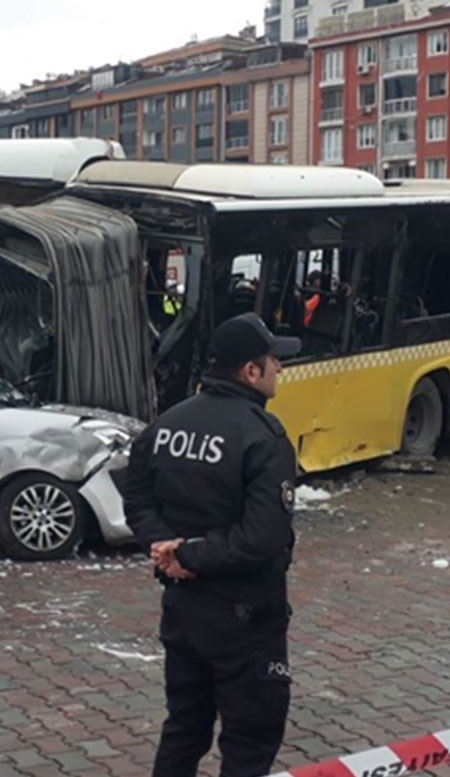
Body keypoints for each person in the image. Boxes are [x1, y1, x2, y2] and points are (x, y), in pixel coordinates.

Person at [123, 312, 299, 777]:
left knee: (185, 726)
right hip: (245, 616)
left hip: (183, 610)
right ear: (250, 372)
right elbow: (263, 536)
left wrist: (166, 549)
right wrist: (185, 554)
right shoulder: (264, 437)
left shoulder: (167, 423)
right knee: (250, 739)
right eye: (273, 361)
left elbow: (136, 496)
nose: (280, 369)